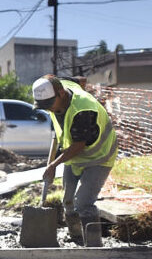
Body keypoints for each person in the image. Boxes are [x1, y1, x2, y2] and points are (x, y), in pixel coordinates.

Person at [33, 75, 117, 247]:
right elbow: (79, 79)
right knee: (68, 201)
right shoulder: (58, 85)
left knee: (84, 203)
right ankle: (76, 236)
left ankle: (94, 245)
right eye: (44, 106)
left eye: (49, 104)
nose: (48, 110)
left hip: (98, 155)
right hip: (74, 155)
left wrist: (53, 165)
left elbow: (79, 145)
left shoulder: (83, 109)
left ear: (61, 94)